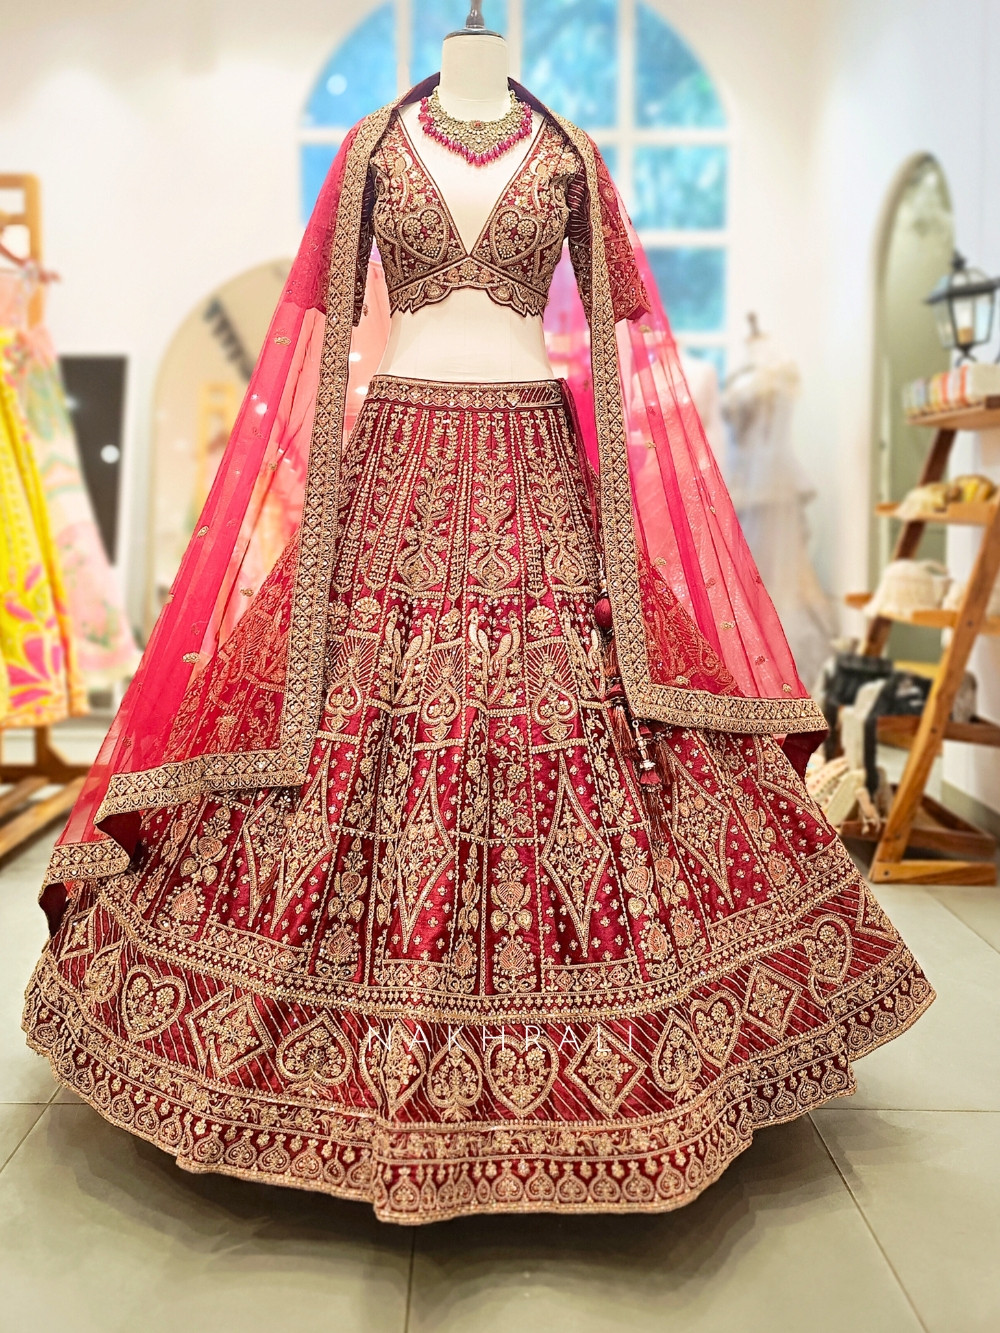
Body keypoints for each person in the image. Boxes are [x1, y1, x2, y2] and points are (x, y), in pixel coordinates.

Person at [23, 28, 932, 1225]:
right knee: (347, 714)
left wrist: (620, 514)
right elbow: (318, 337)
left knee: (575, 718)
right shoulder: (369, 147)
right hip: (392, 454)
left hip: (536, 459)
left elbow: (622, 339)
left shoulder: (571, 154)